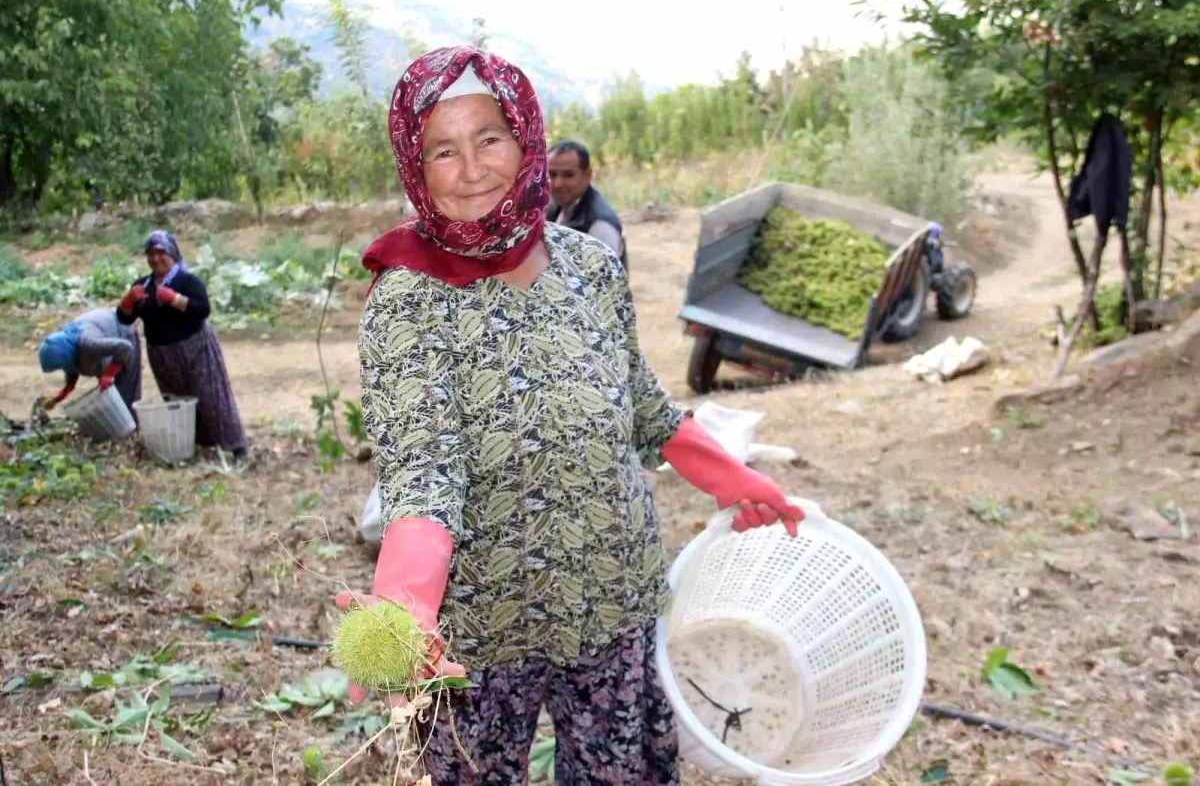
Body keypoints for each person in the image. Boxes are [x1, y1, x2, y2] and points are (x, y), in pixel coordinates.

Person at [340, 45, 804, 785]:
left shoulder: (588, 265)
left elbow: (641, 404)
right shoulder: (409, 299)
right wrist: (404, 608)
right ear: (413, 166)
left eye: (489, 137)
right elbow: (424, 468)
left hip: (611, 595)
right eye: (442, 151)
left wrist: (735, 478)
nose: (472, 168)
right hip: (484, 621)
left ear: (525, 138)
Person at [115, 230, 248, 461]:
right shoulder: (142, 286)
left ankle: (236, 447)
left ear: (172, 253)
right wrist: (127, 303)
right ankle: (198, 444)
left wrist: (175, 300)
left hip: (195, 348)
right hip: (162, 354)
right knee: (178, 402)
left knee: (211, 397)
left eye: (161, 253)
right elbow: (125, 318)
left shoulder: (187, 281)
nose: (155, 259)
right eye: (150, 254)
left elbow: (202, 309)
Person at [38, 307, 142, 414]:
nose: (62, 368)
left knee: (126, 393)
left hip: (123, 332)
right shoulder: (68, 348)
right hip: (103, 340)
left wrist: (109, 374)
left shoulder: (90, 344)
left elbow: (125, 348)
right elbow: (72, 373)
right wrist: (59, 397)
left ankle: (133, 426)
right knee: (110, 394)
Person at [546, 139, 629, 272]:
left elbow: (603, 287)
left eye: (568, 175)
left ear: (587, 175)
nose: (557, 183)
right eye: (552, 174)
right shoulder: (555, 209)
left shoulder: (600, 226)